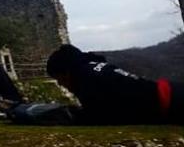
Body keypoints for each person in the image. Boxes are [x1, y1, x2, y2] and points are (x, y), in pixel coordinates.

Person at [46, 44, 184, 125]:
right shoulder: (93, 67)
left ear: (67, 72)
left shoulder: (86, 79)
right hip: (170, 92)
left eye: (59, 79)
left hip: (169, 102)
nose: (60, 84)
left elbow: (97, 117)